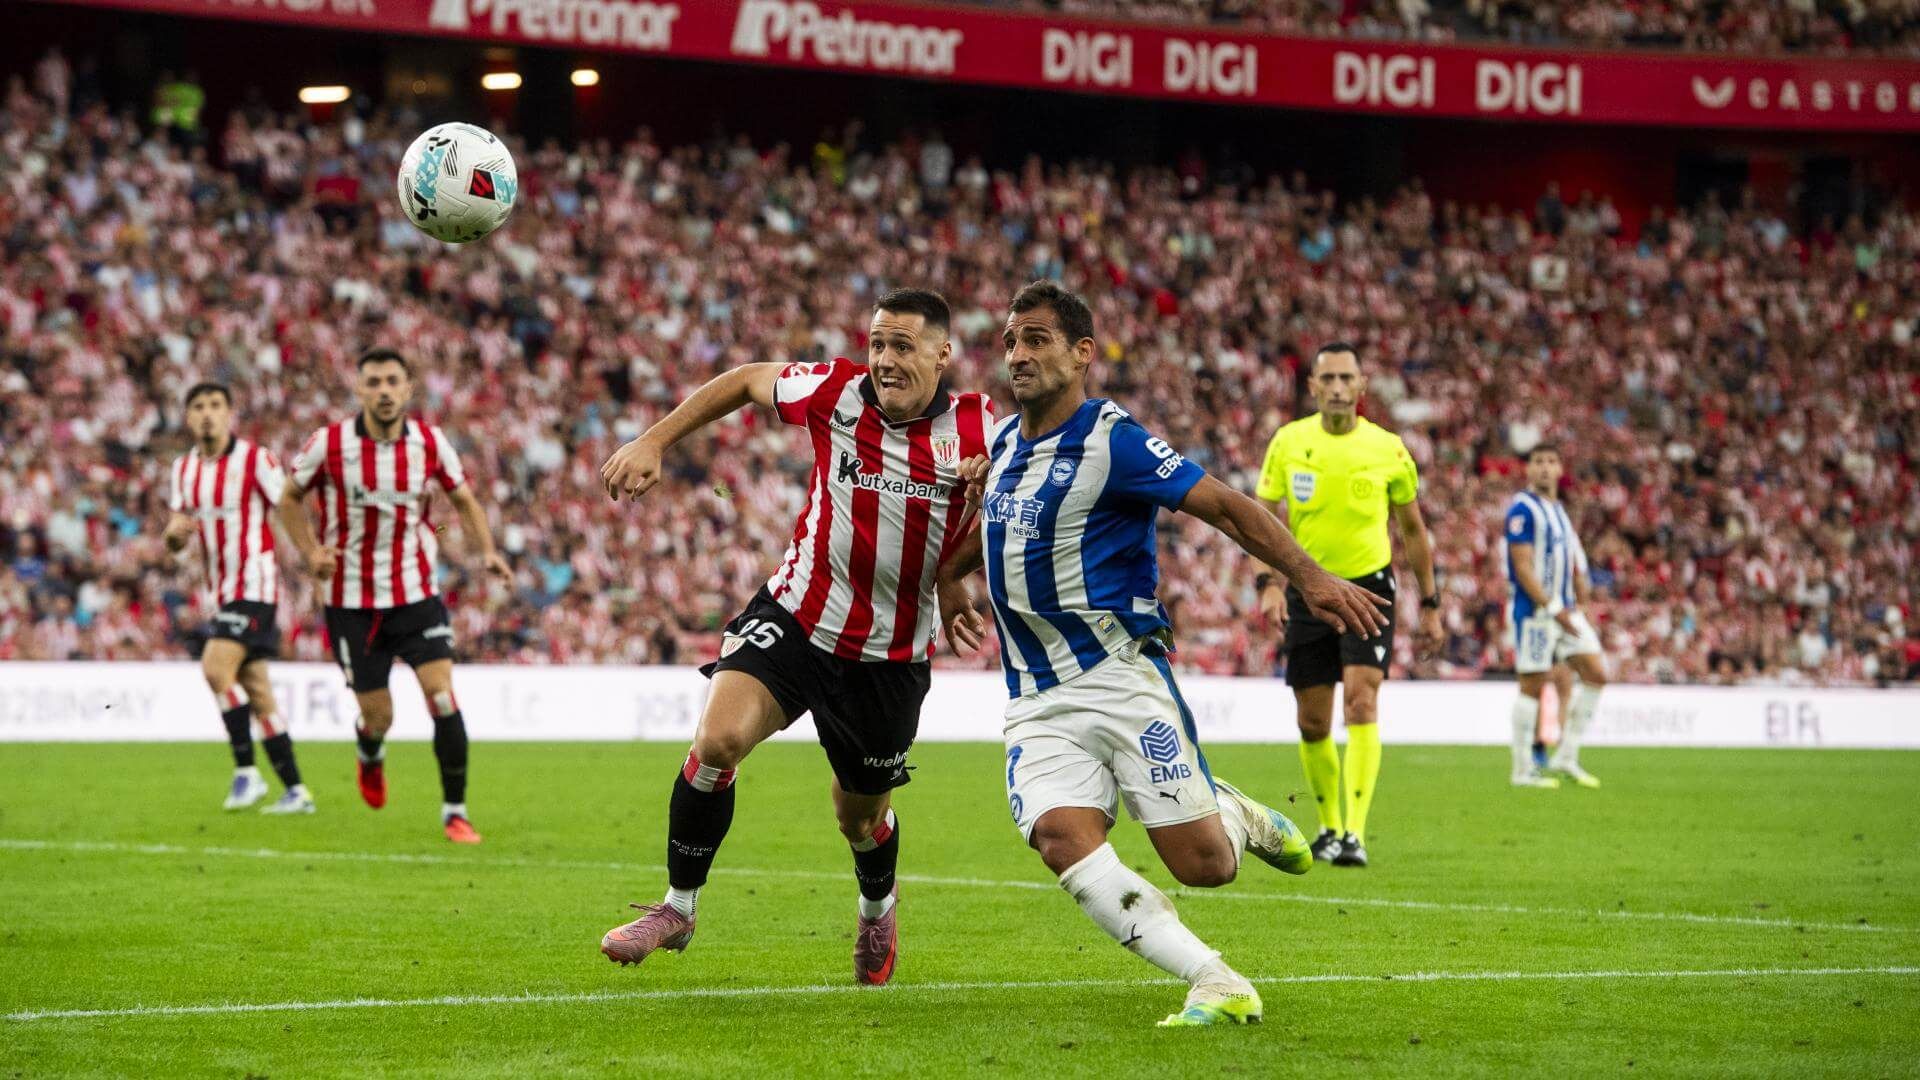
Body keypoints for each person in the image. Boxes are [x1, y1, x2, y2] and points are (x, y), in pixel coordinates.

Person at [936, 281, 1389, 1027]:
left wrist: (1308, 577)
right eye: (1012, 340)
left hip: (1119, 676)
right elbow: (994, 530)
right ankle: (1214, 978)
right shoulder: (1004, 443)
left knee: (1203, 866)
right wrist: (952, 580)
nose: (1017, 354)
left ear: (1083, 354)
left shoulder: (1114, 441)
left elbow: (1227, 506)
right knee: (1060, 837)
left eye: (1037, 339)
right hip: (1035, 696)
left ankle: (1233, 815)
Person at [596, 289, 994, 986]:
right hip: (797, 616)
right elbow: (747, 379)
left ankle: (877, 908)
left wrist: (961, 565)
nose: (885, 360)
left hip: (888, 657)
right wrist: (655, 439)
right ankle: (677, 907)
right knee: (717, 742)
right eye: (878, 343)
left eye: (903, 347)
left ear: (942, 353)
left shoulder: (984, 430)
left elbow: (1022, 513)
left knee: (859, 818)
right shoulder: (837, 392)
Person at [277, 348, 511, 843]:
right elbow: (289, 499)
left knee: (442, 695)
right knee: (379, 714)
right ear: (359, 389)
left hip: (415, 594)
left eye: (392, 382)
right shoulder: (330, 443)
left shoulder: (429, 442)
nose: (384, 391)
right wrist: (308, 550)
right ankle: (370, 749)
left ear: (408, 389)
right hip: (350, 603)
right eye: (374, 382)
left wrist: (486, 551)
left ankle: (455, 811)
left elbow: (464, 500)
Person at [1253, 343, 1441, 868]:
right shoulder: (1289, 443)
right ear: (1312, 386)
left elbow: (1413, 530)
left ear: (1362, 386)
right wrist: (1268, 582)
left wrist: (1431, 602)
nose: (1337, 387)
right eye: (1328, 378)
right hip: (1309, 588)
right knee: (1313, 722)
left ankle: (1354, 834)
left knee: (1362, 701)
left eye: (1346, 378)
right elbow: (1261, 518)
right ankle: (1330, 827)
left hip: (1370, 588)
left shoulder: (1388, 448)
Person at [162, 382, 312, 814]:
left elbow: (289, 505)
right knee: (258, 692)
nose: (207, 414)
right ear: (188, 417)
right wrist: (172, 538)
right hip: (221, 593)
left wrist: (310, 555)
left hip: (256, 586)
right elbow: (178, 532)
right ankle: (296, 790)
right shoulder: (183, 469)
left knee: (214, 667)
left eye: (215, 405)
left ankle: (247, 772)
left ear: (229, 413)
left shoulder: (256, 459)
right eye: (198, 407)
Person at [1503, 444, 1607, 788]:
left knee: (1596, 672)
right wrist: (1551, 607)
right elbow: (1521, 566)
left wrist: (1579, 601)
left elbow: (1574, 564)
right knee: (1532, 686)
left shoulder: (1559, 511)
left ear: (1560, 469)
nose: (1545, 468)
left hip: (1565, 610)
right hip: (1536, 612)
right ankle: (1522, 770)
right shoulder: (1523, 508)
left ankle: (1566, 755)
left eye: (1551, 462)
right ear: (1529, 470)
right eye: (1538, 462)